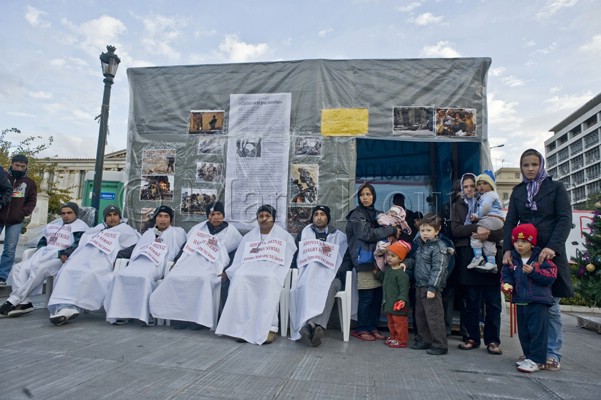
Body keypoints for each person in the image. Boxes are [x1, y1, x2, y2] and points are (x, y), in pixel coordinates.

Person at [502, 148, 572, 371]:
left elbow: (564, 219)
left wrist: (552, 246)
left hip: (550, 254)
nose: (530, 169)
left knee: (550, 307)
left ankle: (551, 353)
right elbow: (510, 221)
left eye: (534, 164)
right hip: (525, 254)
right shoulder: (518, 191)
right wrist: (506, 250)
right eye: (526, 165)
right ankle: (534, 351)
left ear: (541, 165)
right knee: (529, 306)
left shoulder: (556, 188)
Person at [149, 202, 242, 330]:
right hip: (190, 263)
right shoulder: (198, 229)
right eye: (212, 214)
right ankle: (180, 317)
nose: (215, 217)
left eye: (218, 214)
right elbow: (186, 247)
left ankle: (198, 320)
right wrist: (176, 261)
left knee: (202, 280)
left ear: (223, 215)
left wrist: (227, 271)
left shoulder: (231, 233)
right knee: (174, 277)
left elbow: (235, 255)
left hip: (212, 267)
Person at [215, 205, 297, 345]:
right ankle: (240, 328)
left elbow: (288, 258)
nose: (264, 219)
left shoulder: (285, 236)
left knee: (269, 279)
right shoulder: (249, 236)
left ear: (274, 219)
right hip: (250, 268)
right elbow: (239, 259)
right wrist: (229, 272)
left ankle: (270, 328)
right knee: (239, 277)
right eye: (261, 216)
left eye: (267, 216)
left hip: (271, 269)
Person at [47, 205, 140, 326]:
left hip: (104, 260)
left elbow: (135, 246)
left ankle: (72, 307)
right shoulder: (97, 229)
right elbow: (82, 245)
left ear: (119, 217)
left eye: (115, 215)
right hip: (84, 258)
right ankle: (63, 306)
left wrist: (120, 254)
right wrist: (69, 253)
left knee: (91, 274)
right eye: (109, 215)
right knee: (68, 270)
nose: (112, 218)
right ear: (104, 218)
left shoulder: (126, 229)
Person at [0, 202, 88, 317]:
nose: (66, 216)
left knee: (39, 269)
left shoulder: (80, 227)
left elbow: (78, 244)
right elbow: (43, 239)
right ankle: (25, 302)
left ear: (75, 214)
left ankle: (14, 300)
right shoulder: (56, 224)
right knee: (17, 268)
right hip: (45, 253)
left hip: (62, 258)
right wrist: (42, 248)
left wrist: (64, 253)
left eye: (69, 213)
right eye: (63, 213)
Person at [103, 206, 186, 326]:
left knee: (144, 278)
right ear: (155, 218)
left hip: (158, 265)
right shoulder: (148, 232)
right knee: (121, 276)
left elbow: (180, 249)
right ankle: (121, 313)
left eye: (166, 217)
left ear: (171, 220)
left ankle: (147, 314)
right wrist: (120, 255)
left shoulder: (177, 232)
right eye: (160, 216)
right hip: (140, 262)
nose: (162, 220)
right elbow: (137, 247)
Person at [452, 173, 504, 355]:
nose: (469, 189)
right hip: (469, 255)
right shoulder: (457, 206)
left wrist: (486, 233)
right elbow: (456, 230)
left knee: (492, 302)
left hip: (491, 255)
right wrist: (476, 228)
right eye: (465, 187)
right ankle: (471, 337)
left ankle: (492, 340)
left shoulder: (489, 202)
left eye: (472, 186)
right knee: (471, 301)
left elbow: (501, 230)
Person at [346, 183, 401, 341]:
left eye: (368, 194)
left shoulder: (378, 214)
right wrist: (390, 230)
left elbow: (395, 226)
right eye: (362, 195)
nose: (365, 197)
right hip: (364, 261)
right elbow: (366, 234)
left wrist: (394, 228)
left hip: (380, 261)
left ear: (374, 196)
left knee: (377, 297)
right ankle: (362, 328)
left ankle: (372, 327)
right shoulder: (356, 215)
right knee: (367, 297)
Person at [289, 205, 349, 347]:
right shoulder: (304, 234)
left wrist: (335, 270)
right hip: (308, 274)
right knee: (304, 285)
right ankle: (315, 326)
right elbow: (297, 256)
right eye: (316, 214)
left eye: (322, 214)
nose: (319, 217)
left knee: (328, 287)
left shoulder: (339, 237)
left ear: (328, 217)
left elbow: (347, 261)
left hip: (332, 277)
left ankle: (313, 325)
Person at [502, 223, 557, 373]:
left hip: (538, 301)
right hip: (520, 300)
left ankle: (537, 360)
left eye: (524, 242)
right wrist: (507, 284)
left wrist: (534, 272)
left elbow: (551, 277)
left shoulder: (541, 259)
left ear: (532, 243)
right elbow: (506, 275)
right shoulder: (512, 259)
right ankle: (528, 356)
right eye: (516, 241)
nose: (519, 245)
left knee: (537, 332)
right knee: (524, 331)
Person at [408, 214, 450, 355]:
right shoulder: (421, 246)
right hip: (420, 286)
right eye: (422, 230)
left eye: (428, 230)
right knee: (420, 315)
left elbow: (439, 269)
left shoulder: (439, 247)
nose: (425, 233)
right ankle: (425, 340)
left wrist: (433, 287)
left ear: (437, 231)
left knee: (434, 316)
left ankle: (440, 344)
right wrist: (405, 264)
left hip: (430, 287)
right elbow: (416, 262)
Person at [0, 154, 38, 286]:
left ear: (26, 167)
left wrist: (23, 212)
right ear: (12, 164)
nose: (19, 168)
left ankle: (2, 276)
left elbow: (32, 201)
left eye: (23, 166)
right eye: (17, 165)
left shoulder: (30, 183)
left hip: (16, 220)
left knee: (9, 248)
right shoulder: (3, 177)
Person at [373, 240, 411, 349]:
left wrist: (402, 300)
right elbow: (383, 279)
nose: (389, 258)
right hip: (390, 304)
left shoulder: (401, 274)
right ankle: (394, 337)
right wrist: (377, 273)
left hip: (398, 305)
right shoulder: (388, 270)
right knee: (391, 322)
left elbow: (404, 290)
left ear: (400, 258)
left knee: (400, 323)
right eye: (388, 255)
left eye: (393, 256)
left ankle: (401, 340)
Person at [466, 170, 504, 272]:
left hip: (491, 218)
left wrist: (477, 216)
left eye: (485, 183)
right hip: (497, 220)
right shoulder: (491, 195)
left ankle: (478, 257)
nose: (481, 186)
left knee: (475, 233)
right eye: (479, 184)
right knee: (488, 240)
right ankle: (491, 262)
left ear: (491, 185)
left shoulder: (489, 195)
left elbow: (485, 207)